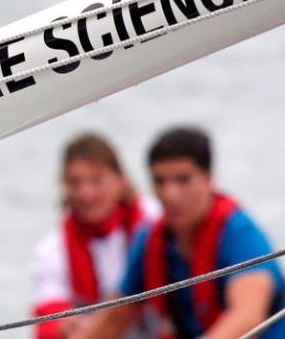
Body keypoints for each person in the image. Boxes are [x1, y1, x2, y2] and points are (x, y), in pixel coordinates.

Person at [72, 127, 285, 339]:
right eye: (160, 181)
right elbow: (114, 319)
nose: (170, 193)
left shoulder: (240, 233)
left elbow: (248, 316)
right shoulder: (150, 240)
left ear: (209, 178)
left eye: (183, 179)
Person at [31, 132, 159, 339]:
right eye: (75, 183)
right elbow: (48, 321)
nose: (86, 193)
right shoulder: (51, 250)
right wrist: (65, 326)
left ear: (120, 180)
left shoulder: (155, 220)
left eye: (96, 181)